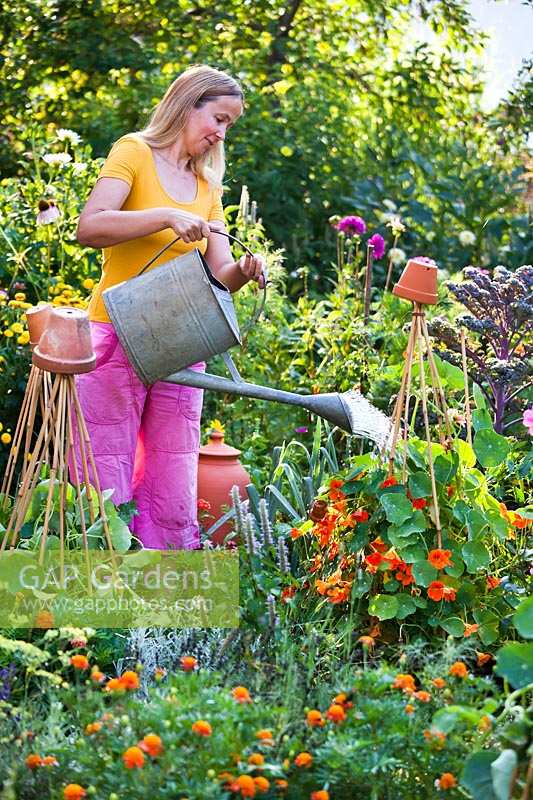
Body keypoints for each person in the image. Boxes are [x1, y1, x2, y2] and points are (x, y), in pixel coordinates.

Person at [75, 65, 265, 550]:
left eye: (229, 126)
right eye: (218, 119)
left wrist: (244, 270)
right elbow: (90, 227)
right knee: (105, 463)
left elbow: (220, 273)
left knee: (172, 466)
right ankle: (96, 598)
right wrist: (163, 216)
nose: (221, 134)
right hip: (114, 333)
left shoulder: (207, 188)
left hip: (180, 342)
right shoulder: (134, 152)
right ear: (188, 104)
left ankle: (163, 602)